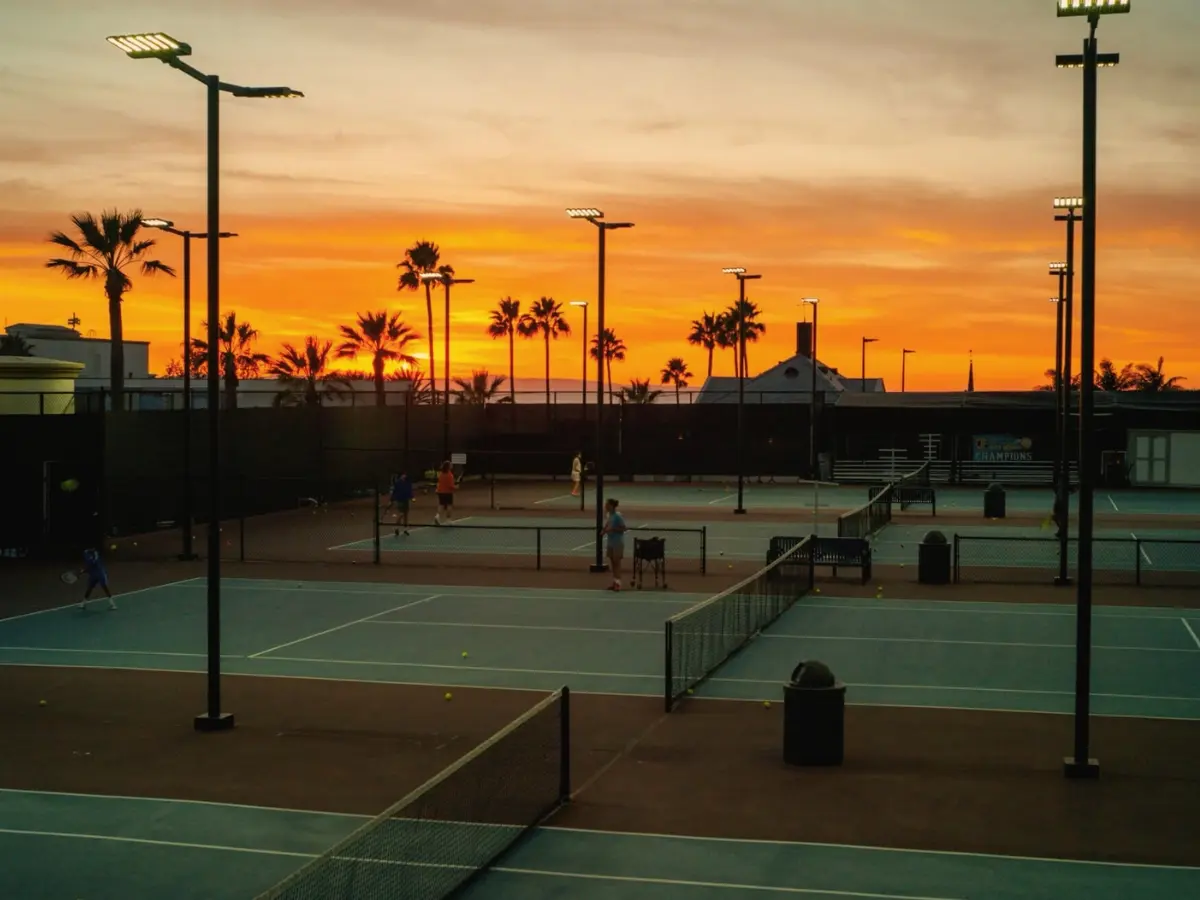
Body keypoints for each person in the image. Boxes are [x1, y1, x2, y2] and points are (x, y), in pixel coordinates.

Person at [601, 497, 627, 591]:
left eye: (607, 504)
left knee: (617, 563)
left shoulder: (617, 516)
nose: (605, 506)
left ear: (612, 506)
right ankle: (615, 581)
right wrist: (604, 531)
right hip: (610, 542)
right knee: (612, 563)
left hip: (617, 543)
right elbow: (608, 524)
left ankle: (618, 583)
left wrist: (612, 529)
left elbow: (623, 528)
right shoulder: (609, 515)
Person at [434, 460, 456, 525]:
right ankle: (448, 520)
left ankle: (437, 516)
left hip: (440, 492)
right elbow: (451, 486)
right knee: (449, 505)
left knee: (441, 505)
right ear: (448, 467)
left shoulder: (441, 474)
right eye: (451, 465)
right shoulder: (450, 475)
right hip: (448, 492)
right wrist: (456, 487)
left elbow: (441, 483)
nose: (452, 466)